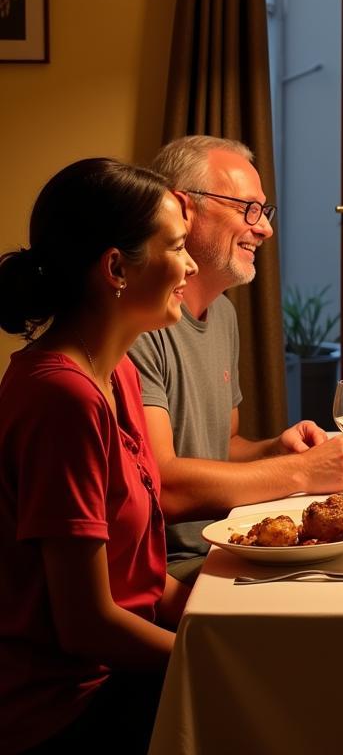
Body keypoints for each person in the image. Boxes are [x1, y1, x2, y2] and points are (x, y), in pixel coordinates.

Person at [0, 158, 197, 752]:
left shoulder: (119, 376)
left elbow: (140, 577)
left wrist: (221, 622)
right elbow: (86, 621)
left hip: (121, 669)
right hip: (66, 706)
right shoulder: (61, 396)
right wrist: (211, 655)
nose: (190, 266)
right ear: (115, 267)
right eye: (179, 247)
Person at [129, 136, 343, 582]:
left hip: (223, 547)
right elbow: (161, 482)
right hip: (173, 569)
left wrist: (275, 450)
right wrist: (299, 472)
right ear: (184, 208)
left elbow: (223, 449)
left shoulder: (222, 312)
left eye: (264, 211)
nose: (264, 228)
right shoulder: (139, 320)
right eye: (247, 208)